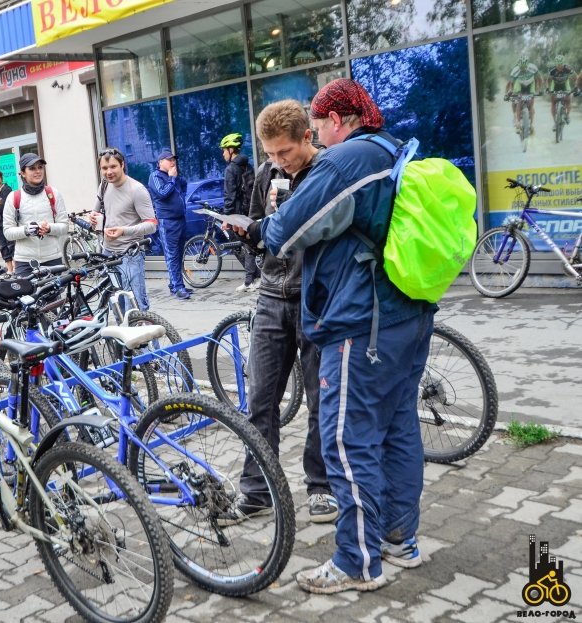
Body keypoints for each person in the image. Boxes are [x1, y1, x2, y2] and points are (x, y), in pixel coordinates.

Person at [260, 79, 434, 594]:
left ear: (336, 119)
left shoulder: (345, 159)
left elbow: (284, 233)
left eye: (316, 127)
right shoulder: (392, 148)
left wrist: (265, 225)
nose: (316, 135)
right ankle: (399, 539)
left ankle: (356, 561)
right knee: (398, 429)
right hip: (408, 314)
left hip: (362, 321)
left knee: (346, 439)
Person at [221, 100, 337, 526]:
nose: (276, 161)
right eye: (269, 153)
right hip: (271, 294)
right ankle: (257, 490)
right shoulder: (266, 174)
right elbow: (258, 228)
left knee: (321, 401)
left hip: (315, 297)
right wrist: (243, 233)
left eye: (284, 153)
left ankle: (321, 488)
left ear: (308, 137)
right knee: (260, 400)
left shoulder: (327, 173)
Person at [89, 148, 158, 310]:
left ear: (122, 165)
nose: (109, 172)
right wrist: (93, 217)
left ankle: (147, 335)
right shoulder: (104, 185)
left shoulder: (137, 190)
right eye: (104, 168)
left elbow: (152, 225)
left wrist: (124, 231)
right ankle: (124, 335)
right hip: (107, 254)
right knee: (116, 305)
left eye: (113, 167)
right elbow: (96, 210)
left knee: (135, 305)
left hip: (130, 255)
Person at [2, 154, 69, 279]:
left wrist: (50, 228)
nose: (38, 171)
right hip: (25, 261)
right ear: (22, 173)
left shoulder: (53, 193)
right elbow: (7, 232)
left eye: (40, 167)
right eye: (32, 168)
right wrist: (26, 230)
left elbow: (65, 226)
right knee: (28, 298)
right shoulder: (13, 197)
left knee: (54, 298)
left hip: (52, 258)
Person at [148, 149, 191, 300]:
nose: (173, 162)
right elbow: (162, 193)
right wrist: (172, 179)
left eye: (173, 159)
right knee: (172, 255)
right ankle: (178, 287)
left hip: (180, 219)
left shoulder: (173, 176)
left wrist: (177, 181)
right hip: (167, 221)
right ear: (160, 162)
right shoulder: (155, 176)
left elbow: (184, 186)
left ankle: (176, 285)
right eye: (169, 159)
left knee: (178, 253)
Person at [220, 133, 260, 292]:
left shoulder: (231, 169)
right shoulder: (247, 166)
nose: (223, 154)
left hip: (237, 214)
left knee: (244, 246)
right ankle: (254, 277)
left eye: (224, 150)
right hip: (250, 211)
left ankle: (251, 280)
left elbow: (230, 195)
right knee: (247, 245)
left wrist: (226, 218)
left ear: (230, 150)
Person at [505, 55, 544, 134]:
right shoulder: (515, 70)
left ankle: (531, 125)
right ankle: (518, 123)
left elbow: (540, 79)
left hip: (530, 84)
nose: (523, 70)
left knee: (531, 104)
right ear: (518, 66)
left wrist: (540, 89)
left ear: (528, 65)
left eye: (524, 68)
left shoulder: (533, 68)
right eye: (521, 68)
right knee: (519, 101)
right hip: (520, 84)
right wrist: (509, 93)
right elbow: (510, 83)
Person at [547, 54, 579, 130]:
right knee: (553, 102)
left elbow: (576, 77)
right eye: (558, 65)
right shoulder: (552, 70)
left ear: (563, 64)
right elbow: (549, 80)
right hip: (555, 85)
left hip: (565, 84)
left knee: (568, 99)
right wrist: (548, 88)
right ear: (555, 64)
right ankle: (555, 122)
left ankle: (567, 115)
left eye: (561, 65)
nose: (559, 67)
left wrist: (576, 86)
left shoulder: (568, 68)